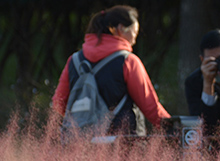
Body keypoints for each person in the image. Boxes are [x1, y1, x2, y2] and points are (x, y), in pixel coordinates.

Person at [52, 5, 171, 135]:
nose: (134, 39)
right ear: (120, 29)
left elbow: (59, 104)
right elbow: (151, 108)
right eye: (134, 32)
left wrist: (86, 119)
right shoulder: (128, 61)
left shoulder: (74, 61)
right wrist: (174, 130)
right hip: (121, 145)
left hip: (80, 145)